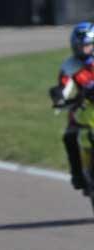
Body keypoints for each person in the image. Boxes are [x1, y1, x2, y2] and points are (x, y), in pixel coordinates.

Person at [49, 22, 94, 191]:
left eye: (88, 45)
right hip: (84, 106)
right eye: (80, 46)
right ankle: (77, 174)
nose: (84, 49)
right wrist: (59, 96)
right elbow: (64, 85)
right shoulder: (70, 65)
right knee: (69, 136)